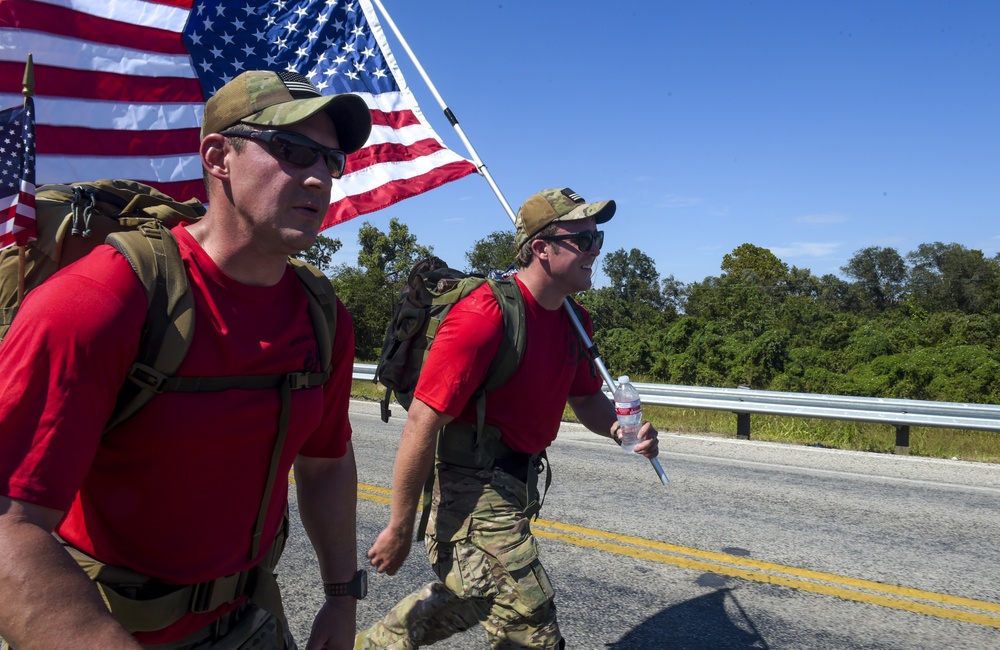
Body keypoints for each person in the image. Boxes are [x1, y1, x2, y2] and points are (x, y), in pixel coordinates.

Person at [0, 70, 373, 650]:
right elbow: (9, 526)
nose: (319, 177)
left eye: (332, 161)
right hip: (111, 626)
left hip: (249, 618)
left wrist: (341, 596)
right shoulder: (100, 300)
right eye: (295, 151)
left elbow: (324, 463)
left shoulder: (322, 316)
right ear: (219, 156)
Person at [357, 188, 661, 649]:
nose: (596, 250)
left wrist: (622, 429)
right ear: (542, 248)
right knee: (529, 614)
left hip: (519, 483)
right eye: (583, 240)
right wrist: (400, 529)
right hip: (471, 484)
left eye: (597, 238)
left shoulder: (575, 321)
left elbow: (588, 401)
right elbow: (422, 423)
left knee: (474, 594)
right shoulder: (483, 316)